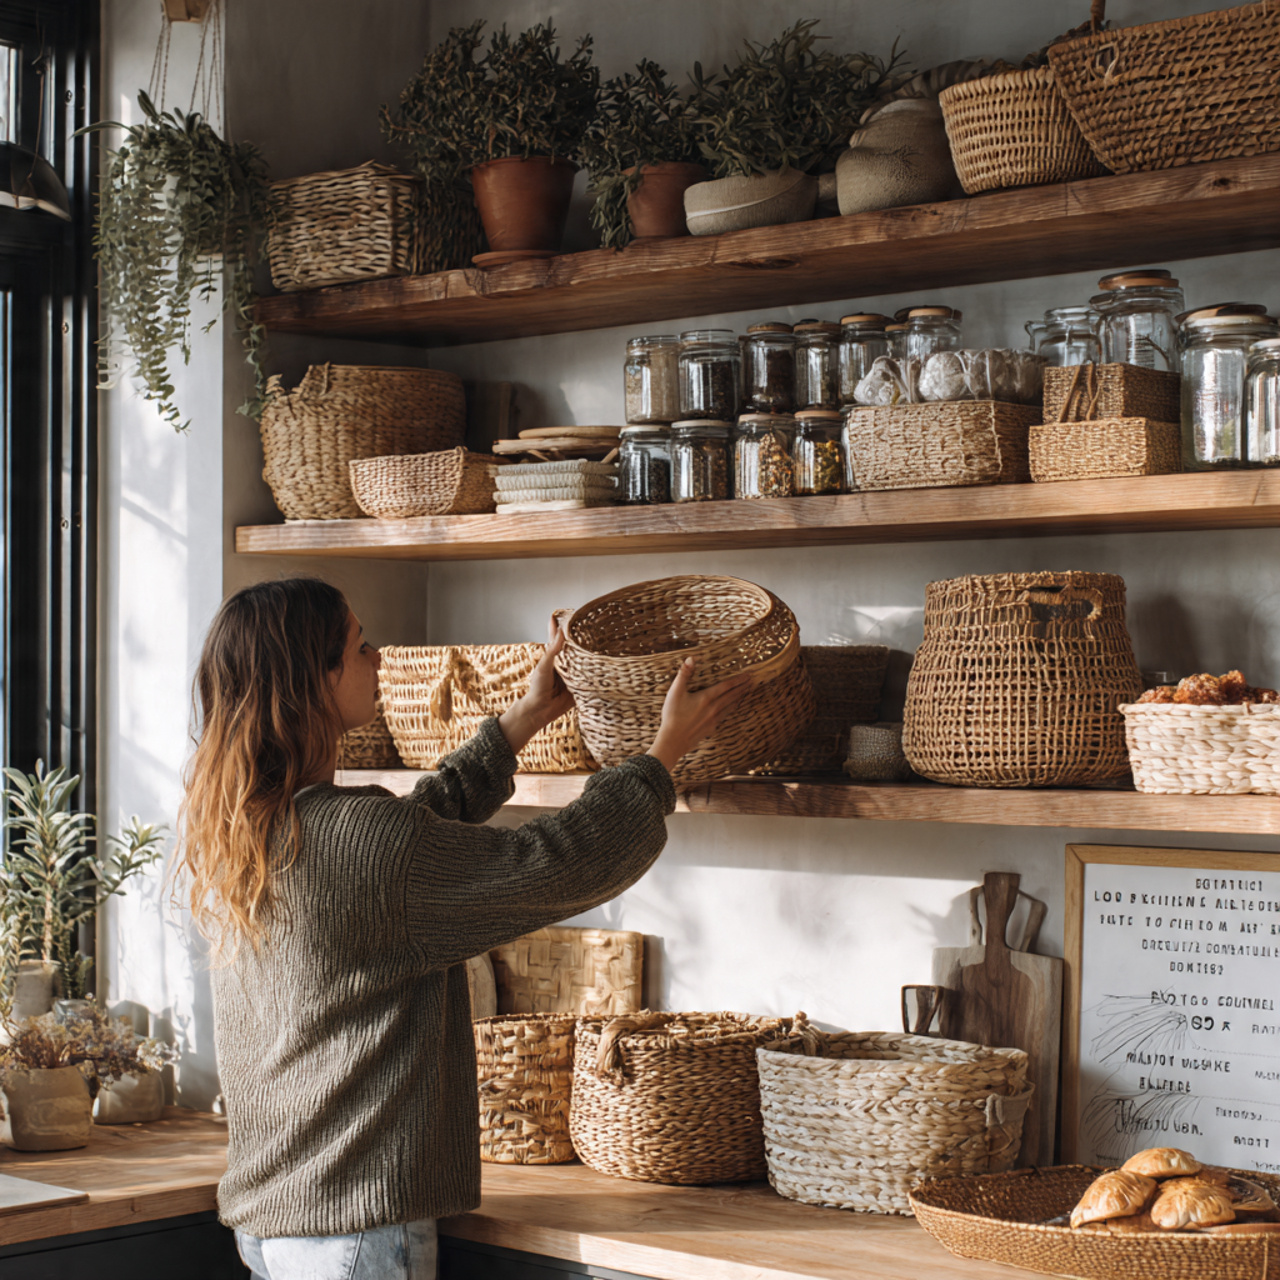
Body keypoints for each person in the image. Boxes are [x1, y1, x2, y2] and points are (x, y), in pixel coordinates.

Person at [177, 577, 751, 1280]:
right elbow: (560, 863)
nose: (380, 658)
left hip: (279, 1223)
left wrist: (522, 720)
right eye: (361, 646)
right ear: (313, 682)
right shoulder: (359, 843)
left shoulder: (246, 827)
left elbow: (410, 841)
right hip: (356, 1232)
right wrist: (661, 757)